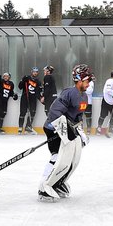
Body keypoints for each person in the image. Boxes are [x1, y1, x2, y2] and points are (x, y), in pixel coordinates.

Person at [38, 64, 93, 202]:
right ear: (79, 80)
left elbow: (77, 117)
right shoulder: (69, 93)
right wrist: (62, 130)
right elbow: (55, 112)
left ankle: (57, 182)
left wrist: (80, 132)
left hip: (67, 130)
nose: (89, 84)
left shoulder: (84, 97)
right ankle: (44, 186)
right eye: (87, 81)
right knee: (58, 157)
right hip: (53, 128)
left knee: (70, 159)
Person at [97, 70, 113, 136]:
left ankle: (111, 128)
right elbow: (108, 91)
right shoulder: (109, 81)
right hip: (106, 101)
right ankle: (99, 127)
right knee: (103, 114)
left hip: (112, 102)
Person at [18, 67, 41, 134]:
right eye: (34, 72)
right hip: (25, 97)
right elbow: (20, 87)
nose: (35, 73)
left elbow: (38, 92)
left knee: (32, 113)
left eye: (36, 72)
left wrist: (41, 98)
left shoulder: (38, 81)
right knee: (23, 112)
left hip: (33, 99)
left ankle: (28, 127)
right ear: (31, 72)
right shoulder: (27, 78)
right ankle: (20, 127)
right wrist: (22, 81)